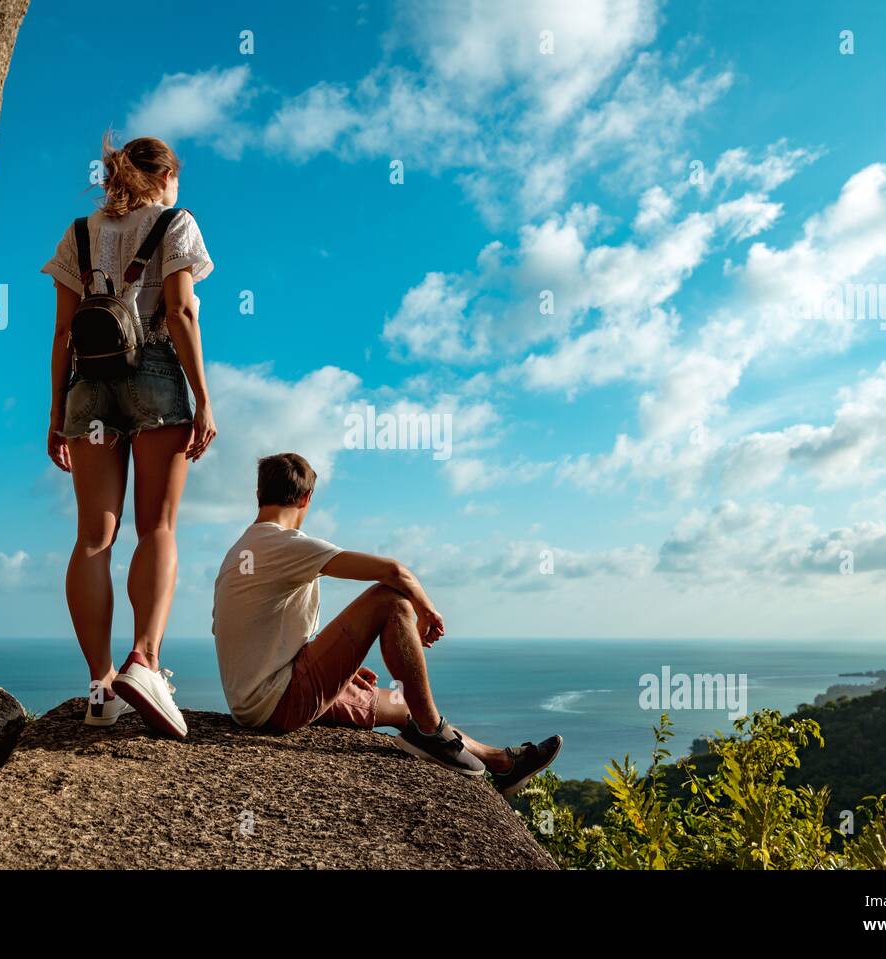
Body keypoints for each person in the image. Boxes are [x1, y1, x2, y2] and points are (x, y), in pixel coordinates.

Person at [212, 452, 562, 796]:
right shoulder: (283, 543)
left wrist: (337, 670)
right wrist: (426, 610)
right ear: (307, 498)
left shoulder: (239, 552)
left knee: (405, 704)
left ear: (259, 495)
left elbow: (255, 639)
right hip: (280, 701)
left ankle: (500, 763)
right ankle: (430, 732)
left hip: (253, 704)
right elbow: (393, 572)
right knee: (389, 600)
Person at [43, 134, 216, 738]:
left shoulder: (79, 233)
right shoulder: (176, 222)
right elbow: (182, 310)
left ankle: (100, 686)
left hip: (87, 386)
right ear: (165, 178)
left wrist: (55, 412)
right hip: (155, 375)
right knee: (158, 526)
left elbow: (64, 332)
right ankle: (145, 661)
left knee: (94, 537)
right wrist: (201, 397)